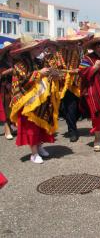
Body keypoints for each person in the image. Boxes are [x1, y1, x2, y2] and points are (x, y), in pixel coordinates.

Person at [10, 35, 61, 164]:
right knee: (31, 127)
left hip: (41, 99)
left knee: (40, 125)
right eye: (37, 47)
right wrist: (39, 73)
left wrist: (53, 74)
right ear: (29, 49)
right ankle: (34, 153)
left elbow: (47, 74)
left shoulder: (40, 62)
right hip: (27, 102)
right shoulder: (19, 64)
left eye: (39, 47)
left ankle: (39, 146)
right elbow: (23, 82)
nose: (40, 49)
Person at [56, 29, 88, 142]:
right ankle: (72, 130)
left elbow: (85, 65)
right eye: (70, 43)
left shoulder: (81, 51)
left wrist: (77, 70)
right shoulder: (60, 52)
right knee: (69, 107)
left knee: (78, 107)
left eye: (74, 42)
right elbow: (58, 66)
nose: (72, 45)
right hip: (64, 83)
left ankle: (73, 124)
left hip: (78, 82)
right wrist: (64, 73)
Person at [0, 41, 17, 140]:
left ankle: (11, 126)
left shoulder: (16, 61)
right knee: (6, 108)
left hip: (14, 87)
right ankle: (7, 129)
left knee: (13, 108)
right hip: (4, 87)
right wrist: (8, 71)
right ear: (7, 52)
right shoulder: (2, 62)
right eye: (11, 50)